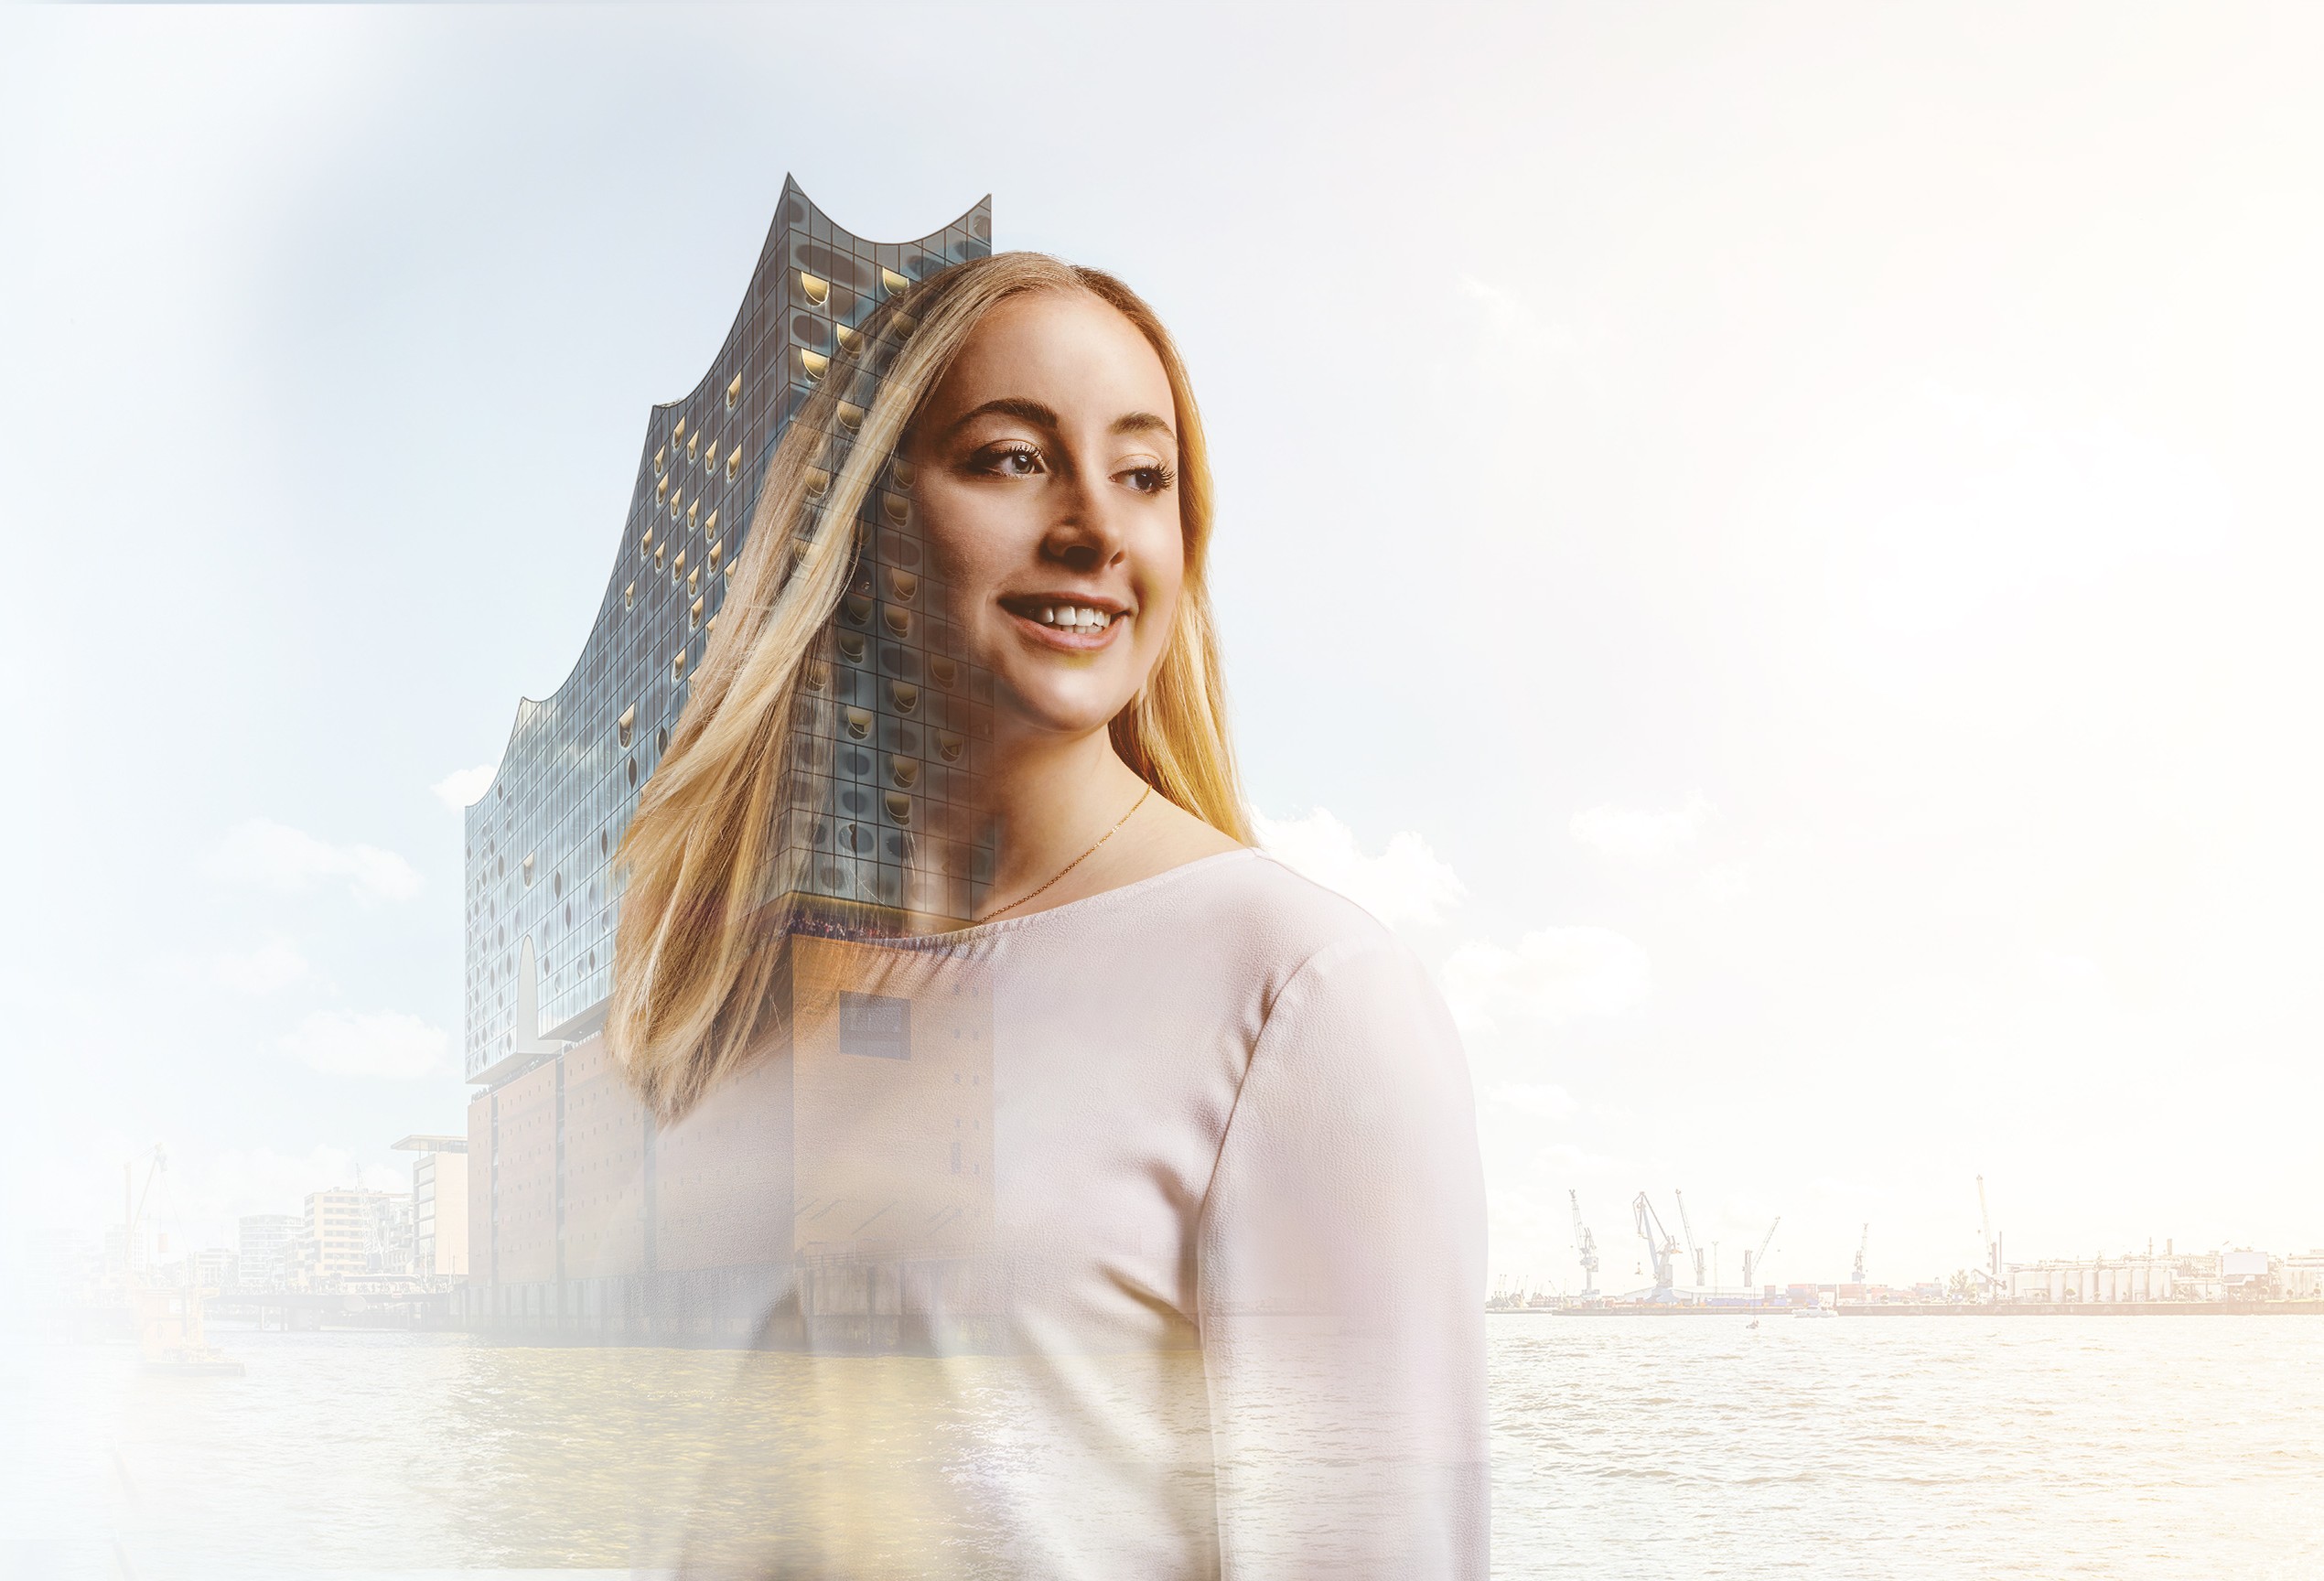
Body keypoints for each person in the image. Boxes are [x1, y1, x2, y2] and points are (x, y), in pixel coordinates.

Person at [609, 252, 1487, 1576]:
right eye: (1015, 460)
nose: (1096, 526)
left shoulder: (1300, 996)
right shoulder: (724, 995)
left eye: (1144, 475)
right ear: (862, 518)